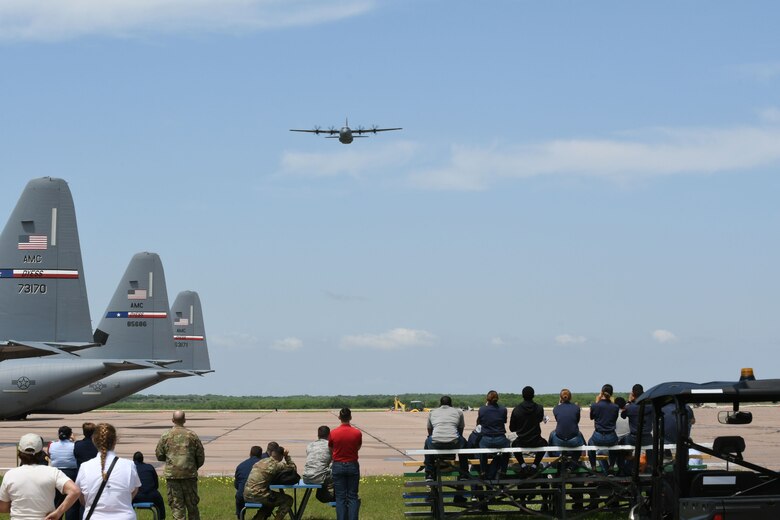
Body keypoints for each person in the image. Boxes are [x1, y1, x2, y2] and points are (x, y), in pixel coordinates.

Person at [0, 433, 81, 520]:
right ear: (41, 452)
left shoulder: (10, 475)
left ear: (19, 452)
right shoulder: (52, 472)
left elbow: (3, 507)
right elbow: (75, 491)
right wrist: (58, 512)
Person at [75, 423, 141, 519]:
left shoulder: (85, 467)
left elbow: (81, 497)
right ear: (115, 441)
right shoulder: (129, 465)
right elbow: (134, 490)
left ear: (93, 440)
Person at [156, 410, 205, 520]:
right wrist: (192, 467)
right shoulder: (192, 435)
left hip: (173, 476)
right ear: (184, 420)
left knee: (177, 507)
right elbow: (200, 456)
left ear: (173, 420)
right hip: (189, 476)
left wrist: (170, 461)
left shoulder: (166, 436)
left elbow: (159, 455)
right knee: (192, 506)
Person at [243, 445, 295, 520]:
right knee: (288, 500)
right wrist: (287, 456)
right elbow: (292, 468)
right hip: (259, 496)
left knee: (270, 501)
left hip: (247, 495)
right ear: (281, 457)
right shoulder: (276, 464)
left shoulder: (260, 461)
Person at [424, 395, 469, 480]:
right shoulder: (458, 412)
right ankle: (464, 473)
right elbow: (460, 429)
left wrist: (434, 438)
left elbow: (429, 429)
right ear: (451, 404)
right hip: (454, 442)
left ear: (440, 404)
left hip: (436, 442)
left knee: (427, 442)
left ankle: (429, 474)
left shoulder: (432, 412)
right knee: (463, 442)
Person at [329, 407, 362, 520]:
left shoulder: (333, 432)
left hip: (338, 465)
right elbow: (358, 447)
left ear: (339, 417)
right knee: (353, 496)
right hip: (352, 464)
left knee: (340, 497)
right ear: (350, 417)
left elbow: (331, 448)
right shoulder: (357, 433)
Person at [509, 386, 548, 475]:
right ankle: (535, 465)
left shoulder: (516, 409)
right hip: (536, 440)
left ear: (522, 396)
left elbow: (512, 428)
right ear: (533, 395)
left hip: (522, 441)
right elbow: (540, 419)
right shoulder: (539, 408)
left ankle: (523, 465)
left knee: (514, 444)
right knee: (545, 443)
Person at [619, 384, 654, 475]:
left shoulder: (629, 407)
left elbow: (623, 415)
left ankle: (626, 466)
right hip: (647, 437)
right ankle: (650, 466)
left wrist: (629, 401)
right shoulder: (650, 407)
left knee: (621, 442)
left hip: (634, 438)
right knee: (651, 446)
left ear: (633, 394)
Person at [49, 425, 79, 520]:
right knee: (72, 502)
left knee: (57, 502)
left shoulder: (52, 445)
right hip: (71, 472)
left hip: (56, 473)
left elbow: (50, 455)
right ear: (70, 435)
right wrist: (73, 440)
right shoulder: (74, 445)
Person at [587, 384, 620, 473]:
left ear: (601, 392)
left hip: (598, 436)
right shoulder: (615, 407)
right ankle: (611, 466)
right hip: (611, 436)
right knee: (615, 444)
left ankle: (593, 467)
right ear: (611, 393)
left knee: (590, 443)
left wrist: (597, 402)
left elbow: (591, 417)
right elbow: (614, 419)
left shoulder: (595, 405)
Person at [548, 389, 586, 465]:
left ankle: (554, 459)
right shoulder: (576, 408)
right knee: (581, 440)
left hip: (559, 440)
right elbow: (576, 421)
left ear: (560, 398)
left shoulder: (556, 408)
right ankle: (573, 464)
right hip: (574, 440)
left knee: (552, 434)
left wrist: (560, 403)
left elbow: (558, 420)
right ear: (570, 397)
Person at [477, 390, 509, 479]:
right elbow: (504, 421)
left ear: (487, 399)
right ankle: (503, 470)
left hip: (486, 438)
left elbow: (480, 422)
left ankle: (483, 471)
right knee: (507, 449)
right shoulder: (503, 409)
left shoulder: (482, 409)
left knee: (482, 449)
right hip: (500, 438)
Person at [303, 426, 335, 503]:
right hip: (320, 478)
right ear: (329, 435)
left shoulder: (310, 445)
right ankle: (339, 497)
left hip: (306, 477)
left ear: (318, 435)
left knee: (322, 470)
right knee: (340, 470)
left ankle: (324, 495)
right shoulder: (330, 445)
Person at [133, 451, 166, 520]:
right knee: (160, 501)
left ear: (133, 460)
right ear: (142, 459)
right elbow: (156, 485)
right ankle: (162, 518)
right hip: (152, 496)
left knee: (127, 502)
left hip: (137, 497)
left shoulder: (132, 468)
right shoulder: (150, 467)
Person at [234, 446, 263, 518]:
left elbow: (236, 484)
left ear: (250, 454)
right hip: (260, 497)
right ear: (261, 455)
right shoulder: (264, 466)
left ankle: (240, 516)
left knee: (239, 494)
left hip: (242, 497)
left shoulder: (241, 466)